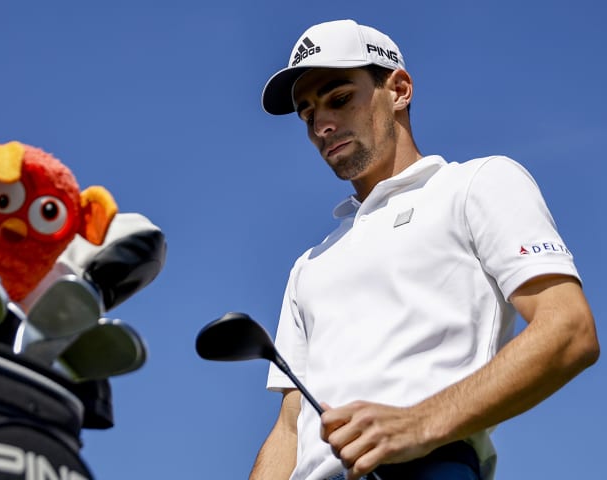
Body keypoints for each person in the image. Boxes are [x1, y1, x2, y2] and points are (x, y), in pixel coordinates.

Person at [251, 19, 599, 480]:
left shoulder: (477, 184)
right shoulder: (309, 266)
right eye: (307, 113)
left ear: (398, 89)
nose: (322, 125)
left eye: (338, 99)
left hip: (428, 466)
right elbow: (291, 427)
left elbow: (569, 329)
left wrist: (419, 423)